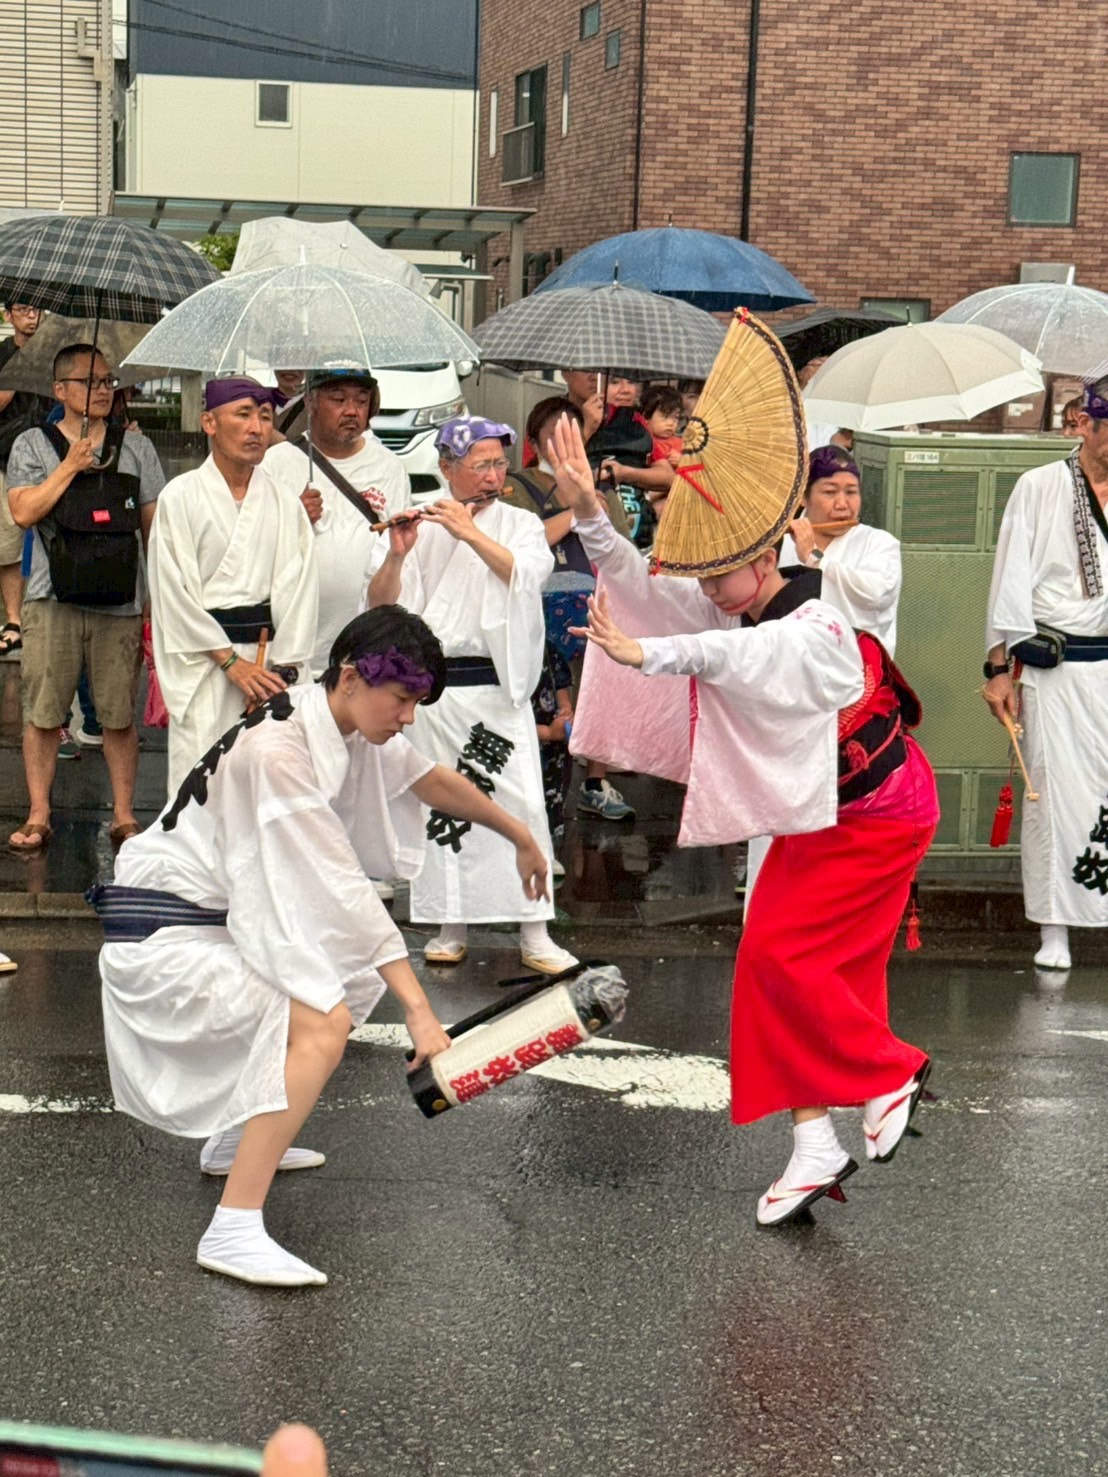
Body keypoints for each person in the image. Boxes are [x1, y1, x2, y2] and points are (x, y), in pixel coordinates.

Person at [554, 413, 937, 1227]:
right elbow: (644, 585)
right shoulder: (734, 600)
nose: (702, 591)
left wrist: (653, 655)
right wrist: (590, 509)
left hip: (877, 812)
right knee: (804, 971)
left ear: (764, 557)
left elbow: (743, 658)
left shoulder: (816, 619)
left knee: (781, 960)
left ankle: (884, 1076)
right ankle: (811, 1142)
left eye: (717, 575)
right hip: (811, 811)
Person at [94, 608, 550, 1287]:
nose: (408, 717)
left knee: (343, 975)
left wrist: (518, 830)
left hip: (205, 919)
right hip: (164, 935)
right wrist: (420, 1009)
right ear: (350, 677)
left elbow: (425, 777)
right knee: (322, 1018)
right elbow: (339, 887)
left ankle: (236, 1137)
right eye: (402, 700)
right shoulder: (279, 751)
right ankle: (234, 1224)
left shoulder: (334, 716)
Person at [367, 415, 577, 974]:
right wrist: (396, 553)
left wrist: (470, 532)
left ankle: (535, 931)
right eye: (480, 464)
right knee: (443, 811)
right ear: (446, 469)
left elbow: (525, 577)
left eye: (498, 464)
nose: (493, 476)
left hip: (496, 687)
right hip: (436, 691)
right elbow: (383, 606)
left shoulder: (520, 524)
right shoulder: (421, 520)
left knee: (520, 804)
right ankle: (449, 922)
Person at [6, 343, 165, 852]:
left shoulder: (135, 447)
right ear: (61, 390)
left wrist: (155, 601)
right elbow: (24, 512)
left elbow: (154, 529)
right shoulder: (32, 443)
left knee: (118, 713)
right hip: (52, 599)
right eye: (89, 381)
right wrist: (69, 466)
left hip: (118, 601)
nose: (102, 390)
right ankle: (38, 813)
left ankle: (122, 814)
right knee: (45, 710)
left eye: (107, 381)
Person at [983, 376, 1108, 972]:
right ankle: (1054, 927)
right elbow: (1009, 580)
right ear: (1085, 424)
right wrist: (999, 668)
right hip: (1058, 669)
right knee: (1053, 795)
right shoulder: (1040, 487)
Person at [148, 377, 318, 795]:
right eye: (243, 415)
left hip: (267, 660)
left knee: (264, 787)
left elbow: (300, 592)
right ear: (209, 422)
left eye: (265, 416)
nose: (257, 428)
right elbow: (172, 594)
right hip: (207, 665)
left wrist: (278, 674)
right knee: (201, 788)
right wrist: (230, 663)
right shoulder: (180, 497)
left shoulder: (282, 501)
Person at [502, 396, 636, 823]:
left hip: (593, 603)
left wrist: (593, 504)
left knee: (600, 688)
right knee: (550, 703)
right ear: (534, 440)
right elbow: (522, 543)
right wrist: (576, 514)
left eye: (572, 432)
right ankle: (541, 801)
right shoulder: (517, 485)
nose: (563, 440)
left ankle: (595, 781)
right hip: (539, 604)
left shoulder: (598, 486)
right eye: (553, 432)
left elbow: (621, 545)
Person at [264, 368, 410, 676]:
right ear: (311, 402)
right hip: (295, 651)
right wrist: (293, 518)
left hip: (365, 647)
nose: (352, 410)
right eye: (338, 399)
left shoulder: (390, 467)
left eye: (361, 400)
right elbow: (251, 551)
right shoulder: (276, 463)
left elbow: (400, 555)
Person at [780, 445, 901, 654]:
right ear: (802, 496)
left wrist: (814, 558)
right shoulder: (779, 544)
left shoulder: (879, 543)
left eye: (851, 492)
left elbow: (874, 595)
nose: (843, 504)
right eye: (830, 492)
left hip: (858, 672)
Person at [0, 302, 49, 661]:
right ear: (8, 316)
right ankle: (14, 621)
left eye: (37, 311)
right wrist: (19, 369)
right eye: (23, 310)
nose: (31, 317)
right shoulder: (4, 355)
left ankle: (46, 617)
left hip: (52, 457)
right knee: (9, 544)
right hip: (6, 457)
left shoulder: (53, 353)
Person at [641, 384, 685, 470]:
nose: (671, 423)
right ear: (646, 416)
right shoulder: (641, 441)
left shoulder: (681, 444)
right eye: (665, 416)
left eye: (675, 417)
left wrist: (682, 462)